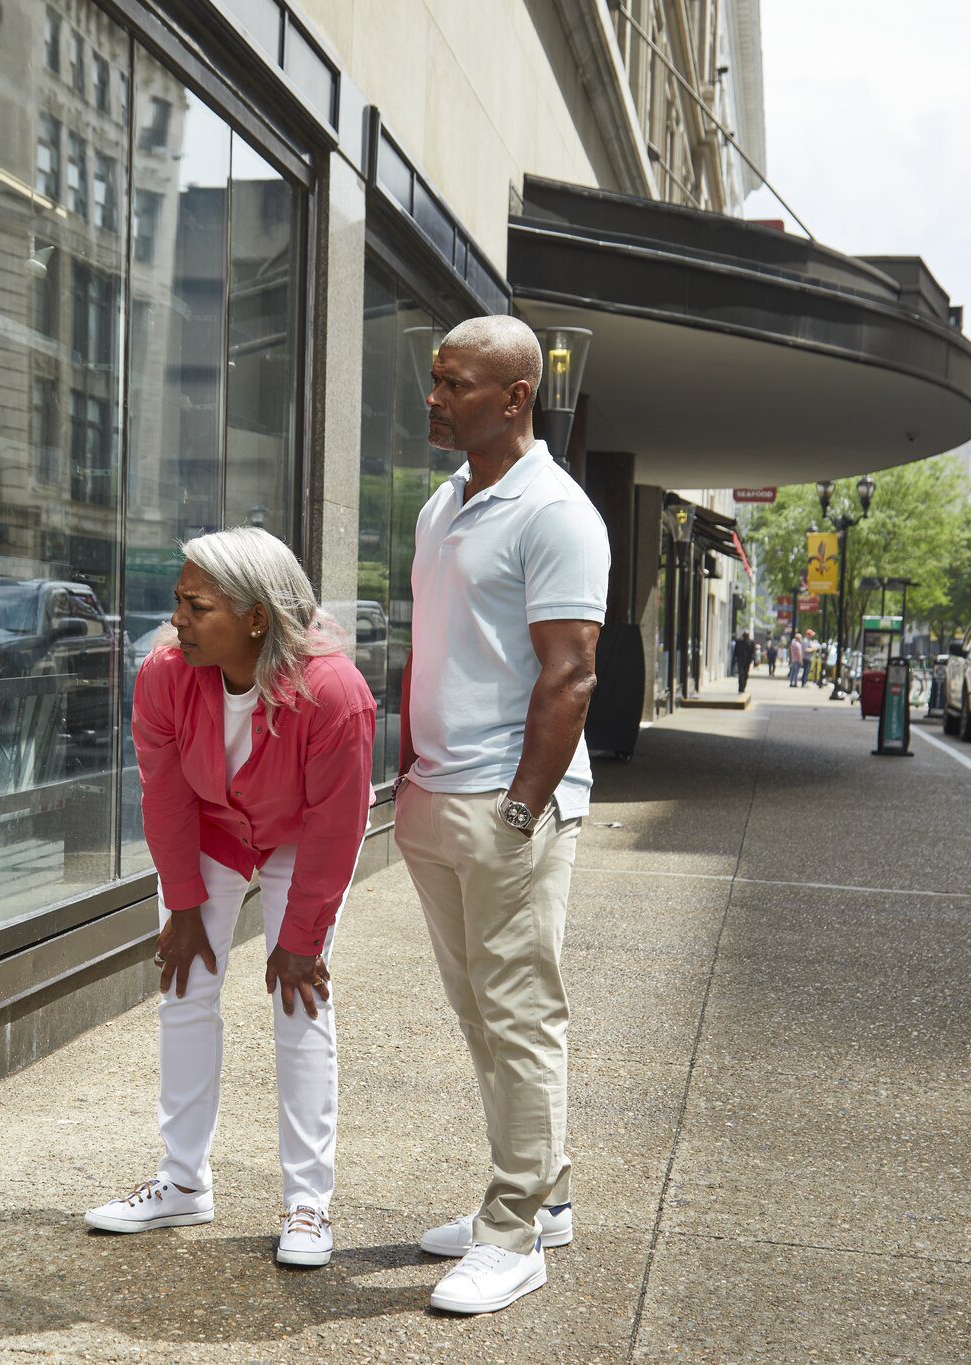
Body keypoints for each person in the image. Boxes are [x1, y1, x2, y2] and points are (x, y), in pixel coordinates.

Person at [84, 527, 376, 1271]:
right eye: (180, 601)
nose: (176, 617)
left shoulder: (334, 693)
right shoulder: (164, 675)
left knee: (299, 997)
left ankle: (307, 1201)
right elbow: (167, 795)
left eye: (196, 604)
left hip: (297, 835)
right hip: (213, 827)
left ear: (256, 616)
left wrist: (302, 934)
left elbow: (339, 823)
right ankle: (183, 1180)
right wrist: (184, 906)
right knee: (185, 986)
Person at [394, 315, 609, 1316]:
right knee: (480, 1011)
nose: (432, 397)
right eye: (433, 379)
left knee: (520, 1017)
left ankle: (514, 1231)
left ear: (513, 396)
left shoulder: (553, 512)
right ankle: (544, 1195)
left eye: (453, 382)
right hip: (437, 796)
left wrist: (522, 808)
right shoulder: (445, 503)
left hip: (505, 808)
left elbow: (569, 675)